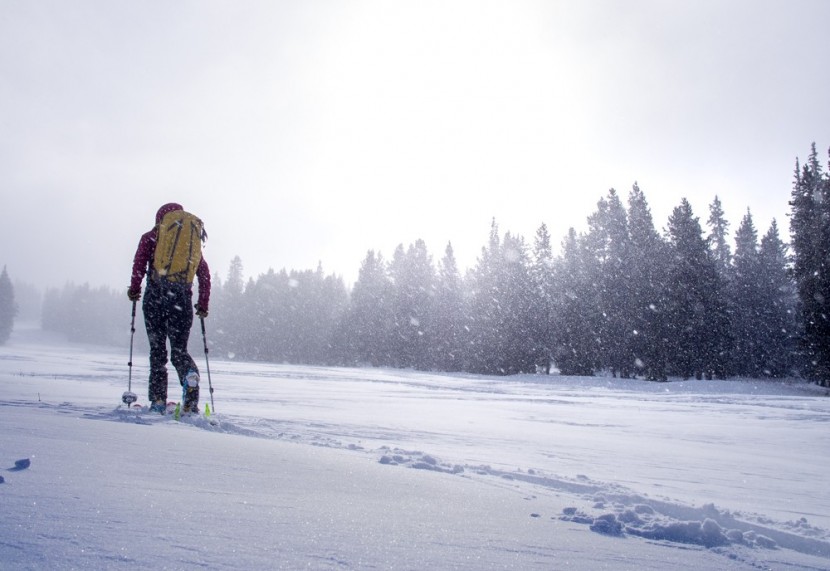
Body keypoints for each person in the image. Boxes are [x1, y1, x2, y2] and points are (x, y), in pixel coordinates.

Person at [127, 203, 210, 414]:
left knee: (158, 352)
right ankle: (189, 380)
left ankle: (157, 400)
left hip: (155, 300)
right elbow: (204, 275)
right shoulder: (189, 245)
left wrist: (135, 290)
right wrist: (202, 304)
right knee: (179, 351)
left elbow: (138, 265)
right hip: (181, 303)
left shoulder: (151, 238)